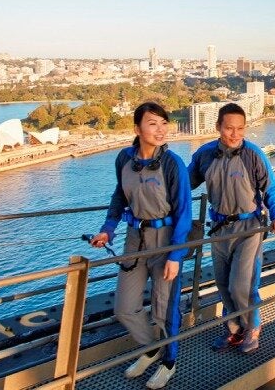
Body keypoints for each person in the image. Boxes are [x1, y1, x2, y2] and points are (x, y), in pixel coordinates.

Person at [90, 102, 190, 389]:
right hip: (135, 238)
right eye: (152, 123)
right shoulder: (124, 159)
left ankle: (169, 361)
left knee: (164, 307)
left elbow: (184, 212)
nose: (160, 129)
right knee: (124, 308)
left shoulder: (173, 164)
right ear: (137, 129)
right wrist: (108, 230)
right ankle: (151, 348)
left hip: (166, 238)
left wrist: (175, 254)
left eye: (163, 123)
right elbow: (119, 198)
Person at [187, 103, 275, 354]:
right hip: (219, 227)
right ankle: (233, 328)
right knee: (223, 283)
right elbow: (184, 184)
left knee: (241, 285)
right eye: (229, 128)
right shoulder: (205, 154)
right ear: (218, 127)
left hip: (249, 227)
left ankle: (253, 325)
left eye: (240, 129)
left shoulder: (253, 154)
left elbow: (271, 188)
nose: (235, 134)